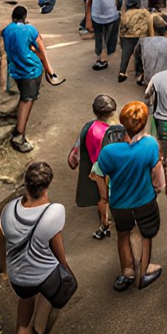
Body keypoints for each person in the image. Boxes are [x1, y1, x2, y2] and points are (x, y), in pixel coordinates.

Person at [90, 101, 167, 290]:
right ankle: (145, 271)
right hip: (145, 199)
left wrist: (104, 200)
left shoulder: (109, 151)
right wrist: (158, 187)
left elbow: (96, 174)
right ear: (143, 123)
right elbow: (158, 175)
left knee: (123, 234)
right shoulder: (150, 144)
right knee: (146, 234)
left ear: (123, 123)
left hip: (119, 202)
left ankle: (128, 271)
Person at [0, 161, 69, 334]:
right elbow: (57, 250)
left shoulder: (8, 210)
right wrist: (66, 270)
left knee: (24, 316)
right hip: (43, 276)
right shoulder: (54, 211)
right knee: (49, 287)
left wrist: (5, 270)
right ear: (47, 185)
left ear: (25, 183)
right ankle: (40, 330)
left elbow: (1, 243)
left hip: (18, 278)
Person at [0, 5, 58, 154]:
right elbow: (41, 51)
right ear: (24, 17)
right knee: (27, 100)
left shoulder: (7, 30)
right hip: (30, 71)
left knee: (24, 97)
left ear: (13, 17)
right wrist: (50, 71)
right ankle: (19, 136)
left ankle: (19, 129)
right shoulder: (30, 30)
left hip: (16, 70)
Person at [68, 93, 118, 239]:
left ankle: (104, 223)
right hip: (110, 168)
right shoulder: (114, 130)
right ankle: (114, 216)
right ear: (112, 112)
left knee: (102, 198)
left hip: (96, 168)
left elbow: (77, 149)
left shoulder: (88, 127)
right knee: (112, 194)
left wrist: (74, 158)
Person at [86, 0, 122, 72]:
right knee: (109, 36)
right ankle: (106, 54)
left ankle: (99, 56)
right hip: (111, 17)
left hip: (97, 17)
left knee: (99, 37)